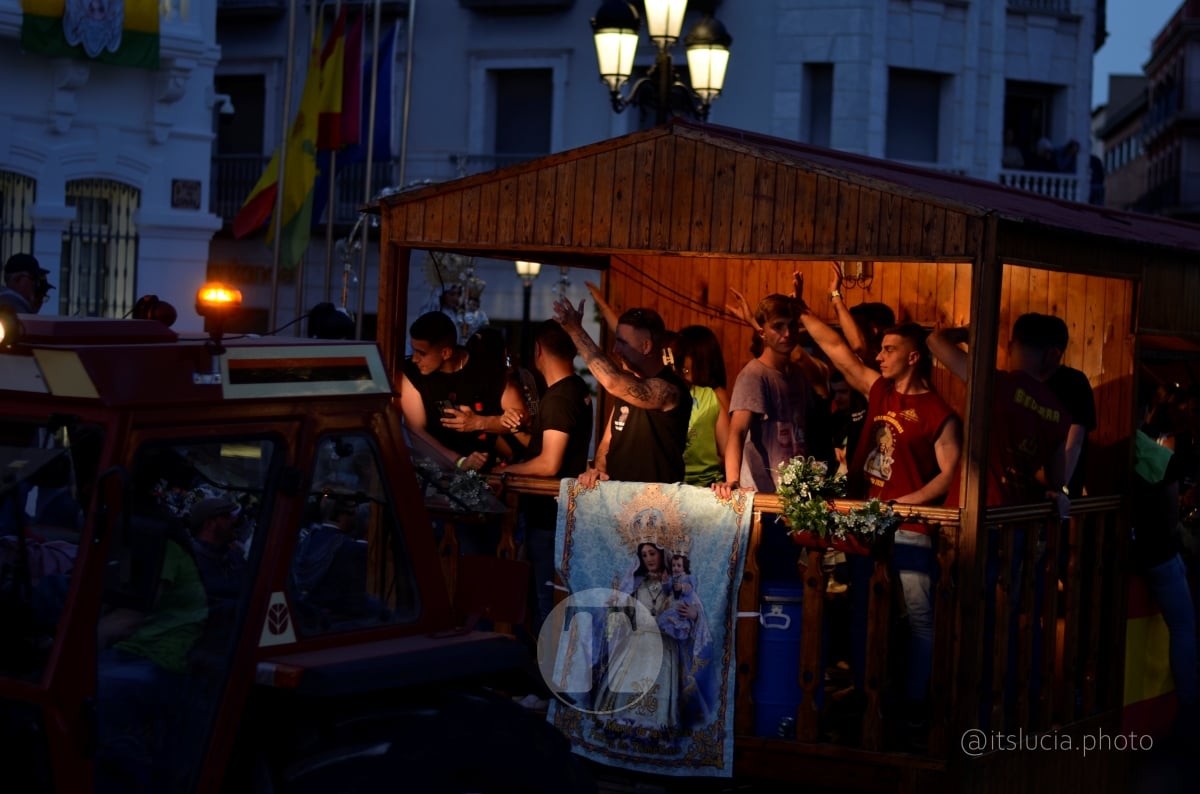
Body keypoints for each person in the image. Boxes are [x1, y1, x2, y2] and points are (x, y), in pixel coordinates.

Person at [796, 284, 961, 731]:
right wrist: (802, 311)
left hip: (910, 525)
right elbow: (837, 351)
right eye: (881, 348)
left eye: (890, 349)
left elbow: (949, 471)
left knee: (919, 615)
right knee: (864, 609)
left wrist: (906, 503)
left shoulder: (939, 411)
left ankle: (914, 701)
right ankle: (872, 692)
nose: (880, 355)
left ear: (913, 357)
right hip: (866, 520)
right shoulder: (879, 391)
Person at [714, 293, 815, 582]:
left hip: (795, 499)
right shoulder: (754, 375)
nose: (787, 333)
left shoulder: (796, 375)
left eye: (792, 326)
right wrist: (732, 481)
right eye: (778, 326)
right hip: (764, 503)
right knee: (766, 583)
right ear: (762, 331)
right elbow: (736, 431)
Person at [502, 320, 593, 631]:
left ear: (538, 350)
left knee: (546, 603)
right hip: (562, 515)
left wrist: (505, 471)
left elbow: (549, 464)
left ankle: (547, 675)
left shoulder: (559, 398)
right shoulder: (577, 389)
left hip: (548, 517)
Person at [552, 298, 690, 485]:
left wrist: (576, 331)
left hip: (654, 508)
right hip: (617, 503)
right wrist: (599, 469)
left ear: (646, 346)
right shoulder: (629, 384)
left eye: (622, 342)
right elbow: (608, 442)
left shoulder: (669, 389)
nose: (616, 349)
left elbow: (611, 380)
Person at [1132, 408, 1198, 740]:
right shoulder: (1155, 453)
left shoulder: (1104, 447)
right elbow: (1171, 515)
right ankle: (1189, 708)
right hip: (1157, 553)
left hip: (1120, 553)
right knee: (1184, 625)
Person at [1039, 315, 1096, 498]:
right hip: (1022, 491)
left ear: (1054, 353)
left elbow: (1074, 442)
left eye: (1034, 348)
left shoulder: (1074, 383)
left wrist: (1059, 487)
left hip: (1060, 495)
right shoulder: (1023, 380)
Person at [675, 325, 731, 487]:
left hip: (705, 486)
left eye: (683, 352)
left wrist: (704, 464)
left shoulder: (715, 395)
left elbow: (727, 450)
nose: (678, 357)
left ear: (699, 355)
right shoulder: (676, 390)